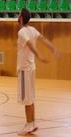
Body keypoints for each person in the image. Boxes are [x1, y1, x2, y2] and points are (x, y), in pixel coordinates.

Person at [16, 8, 60, 136]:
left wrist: (39, 55)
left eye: (19, 15)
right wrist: (53, 49)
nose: (17, 17)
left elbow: (30, 44)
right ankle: (32, 123)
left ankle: (28, 125)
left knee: (26, 99)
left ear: (22, 18)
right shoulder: (32, 29)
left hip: (25, 69)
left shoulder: (22, 32)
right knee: (31, 98)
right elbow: (44, 39)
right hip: (31, 68)